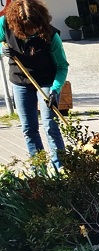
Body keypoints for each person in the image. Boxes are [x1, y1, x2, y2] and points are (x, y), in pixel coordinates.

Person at [0, 0, 69, 169]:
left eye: (35, 28)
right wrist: (2, 50)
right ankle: (39, 171)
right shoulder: (5, 24)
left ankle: (61, 169)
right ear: (17, 24)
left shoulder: (51, 36)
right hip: (20, 81)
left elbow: (62, 67)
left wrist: (55, 90)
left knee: (50, 125)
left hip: (47, 82)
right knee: (29, 129)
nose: (33, 32)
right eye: (28, 29)